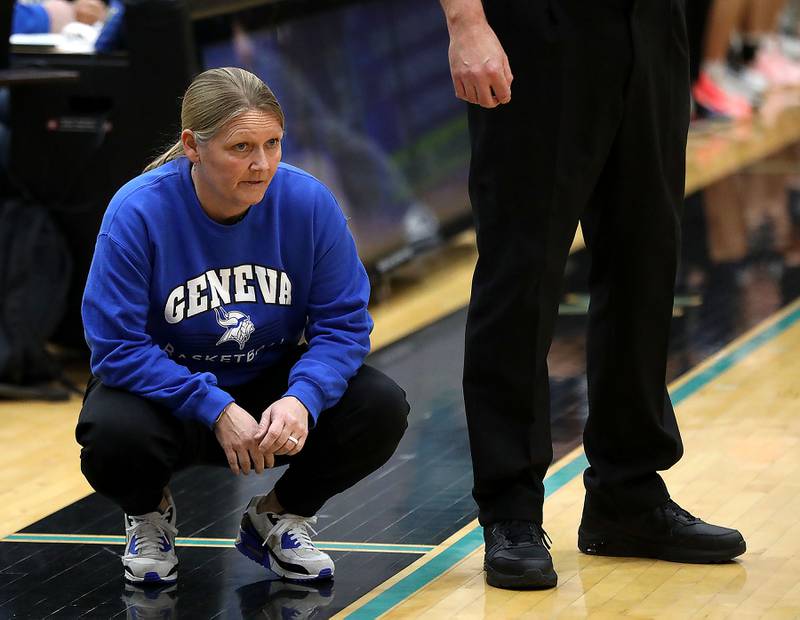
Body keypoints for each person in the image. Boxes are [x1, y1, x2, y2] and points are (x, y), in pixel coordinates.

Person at [439, 0, 746, 589]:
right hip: (538, 30)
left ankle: (627, 497)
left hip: (652, 24)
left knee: (646, 261)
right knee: (522, 270)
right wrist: (466, 22)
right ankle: (511, 511)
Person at [75, 67, 409, 586]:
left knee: (381, 406)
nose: (261, 165)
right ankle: (148, 515)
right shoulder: (138, 211)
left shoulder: (307, 202)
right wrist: (213, 406)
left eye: (272, 143)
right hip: (171, 399)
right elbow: (114, 348)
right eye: (241, 148)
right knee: (112, 437)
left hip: (268, 384)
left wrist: (303, 397)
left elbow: (344, 327)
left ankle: (278, 516)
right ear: (192, 146)